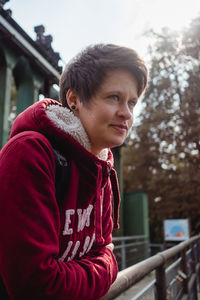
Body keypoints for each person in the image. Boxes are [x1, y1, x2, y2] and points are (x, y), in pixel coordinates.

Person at [0, 44, 148, 300]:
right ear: (74, 99)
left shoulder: (102, 166)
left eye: (132, 103)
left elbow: (106, 251)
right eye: (114, 97)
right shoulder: (30, 154)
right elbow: (36, 287)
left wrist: (102, 262)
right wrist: (104, 269)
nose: (126, 113)